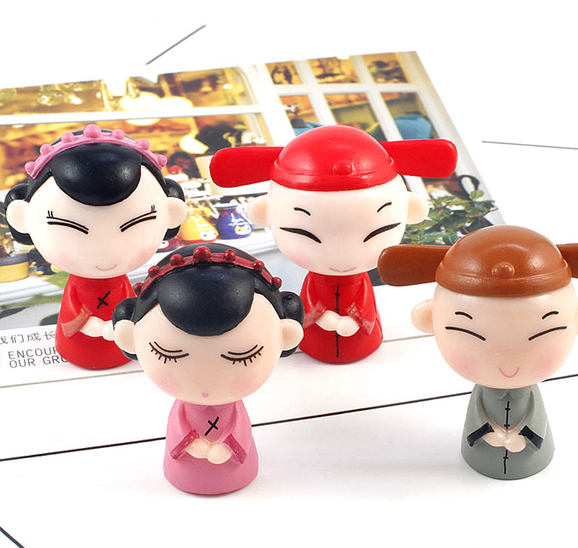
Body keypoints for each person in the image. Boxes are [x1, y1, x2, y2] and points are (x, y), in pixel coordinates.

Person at [378, 225, 578, 479]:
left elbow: (535, 418)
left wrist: (527, 435)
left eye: (543, 334)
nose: (508, 365)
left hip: (532, 451)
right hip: (478, 451)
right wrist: (486, 433)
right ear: (430, 319)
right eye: (470, 334)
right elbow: (478, 418)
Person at [210, 125, 457, 363]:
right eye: (306, 234)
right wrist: (322, 317)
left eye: (376, 232)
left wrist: (355, 319)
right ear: (266, 214)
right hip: (315, 340)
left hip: (362, 338)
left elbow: (363, 303)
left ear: (410, 209)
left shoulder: (359, 280)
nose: (343, 256)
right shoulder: (314, 280)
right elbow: (310, 302)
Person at [113, 243, 304, 494]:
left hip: (237, 465)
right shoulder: (183, 409)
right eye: (169, 354)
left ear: (285, 336)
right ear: (130, 338)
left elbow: (238, 430)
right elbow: (179, 429)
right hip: (183, 468)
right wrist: (192, 445)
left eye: (242, 357)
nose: (207, 380)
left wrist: (227, 446)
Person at [3, 125, 187, 369]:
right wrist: (90, 325)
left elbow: (131, 305)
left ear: (171, 212)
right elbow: (73, 311)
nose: (105, 251)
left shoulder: (122, 282)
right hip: (79, 344)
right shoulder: (78, 285)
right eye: (71, 227)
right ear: (22, 217)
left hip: (123, 343)